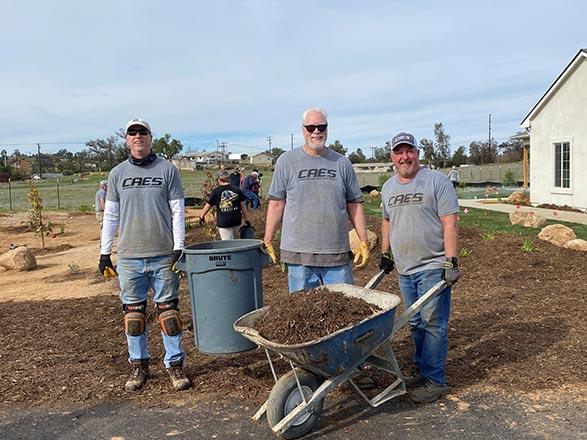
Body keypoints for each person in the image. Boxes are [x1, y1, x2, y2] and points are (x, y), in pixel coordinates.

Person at [98, 118, 191, 393]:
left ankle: (175, 366)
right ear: (127, 139)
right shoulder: (117, 174)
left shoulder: (168, 171)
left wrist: (179, 247)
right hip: (129, 257)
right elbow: (111, 215)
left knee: (169, 313)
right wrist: (105, 253)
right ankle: (138, 365)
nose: (138, 136)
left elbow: (178, 211)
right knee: (133, 315)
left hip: (163, 254)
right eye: (132, 133)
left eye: (143, 132)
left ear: (151, 137)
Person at [379, 132, 460, 403]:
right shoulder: (389, 187)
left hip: (433, 265)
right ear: (392, 157)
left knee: (433, 323)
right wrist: (385, 253)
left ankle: (435, 379)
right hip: (405, 268)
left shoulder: (436, 181)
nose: (405, 157)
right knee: (415, 322)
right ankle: (422, 370)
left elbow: (450, 221)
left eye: (409, 151)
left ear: (417, 153)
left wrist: (451, 260)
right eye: (399, 152)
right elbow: (387, 221)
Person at [263, 107, 370, 293]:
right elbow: (277, 203)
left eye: (321, 127)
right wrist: (268, 239)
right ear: (303, 129)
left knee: (342, 312)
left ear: (327, 129)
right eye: (311, 127)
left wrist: (363, 240)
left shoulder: (342, 163)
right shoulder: (286, 161)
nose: (316, 131)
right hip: (298, 255)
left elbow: (354, 204)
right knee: (302, 314)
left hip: (336, 254)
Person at [198, 170, 251, 240]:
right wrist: (246, 219)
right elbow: (243, 206)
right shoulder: (237, 190)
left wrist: (202, 216)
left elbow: (208, 205)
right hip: (236, 220)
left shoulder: (216, 191)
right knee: (237, 242)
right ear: (229, 179)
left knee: (227, 243)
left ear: (219, 180)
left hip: (224, 222)